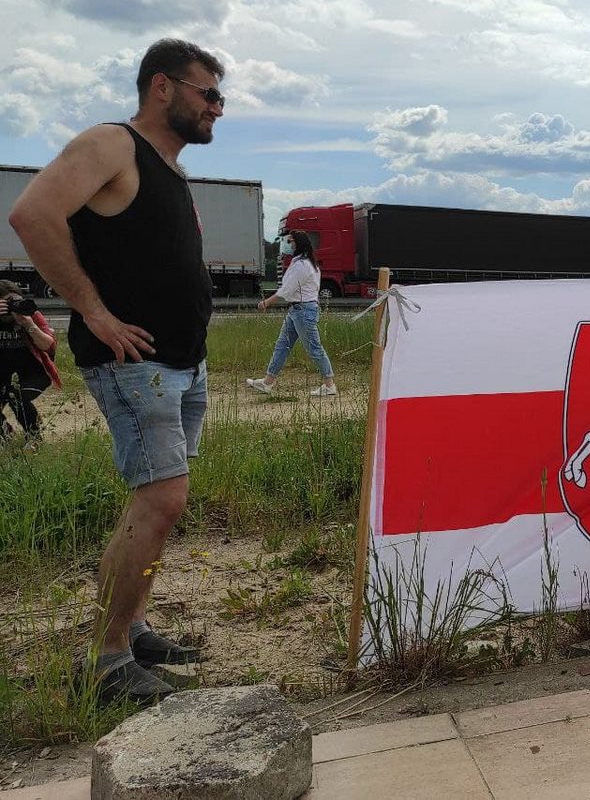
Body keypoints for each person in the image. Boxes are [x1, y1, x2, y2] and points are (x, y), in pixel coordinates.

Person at [8, 38, 224, 704]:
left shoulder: (169, 169)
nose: (218, 108)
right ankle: (106, 662)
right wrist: (93, 311)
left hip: (181, 363)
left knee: (155, 504)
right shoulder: (113, 144)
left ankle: (130, 626)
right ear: (163, 86)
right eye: (209, 93)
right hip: (137, 365)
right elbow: (31, 214)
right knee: (161, 499)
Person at [245, 229, 337, 397]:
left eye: (291, 241)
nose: (289, 245)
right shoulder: (306, 263)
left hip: (303, 311)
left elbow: (286, 290)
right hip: (297, 310)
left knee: (314, 348)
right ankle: (267, 382)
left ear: (298, 243)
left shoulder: (302, 265)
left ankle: (329, 385)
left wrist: (266, 303)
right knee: (282, 346)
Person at [0, 280, 61, 439]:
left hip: (33, 374)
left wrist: (29, 325)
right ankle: (5, 434)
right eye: (8, 303)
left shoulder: (29, 315)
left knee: (16, 396)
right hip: (3, 375)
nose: (14, 306)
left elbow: (49, 346)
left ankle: (33, 436)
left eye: (17, 301)